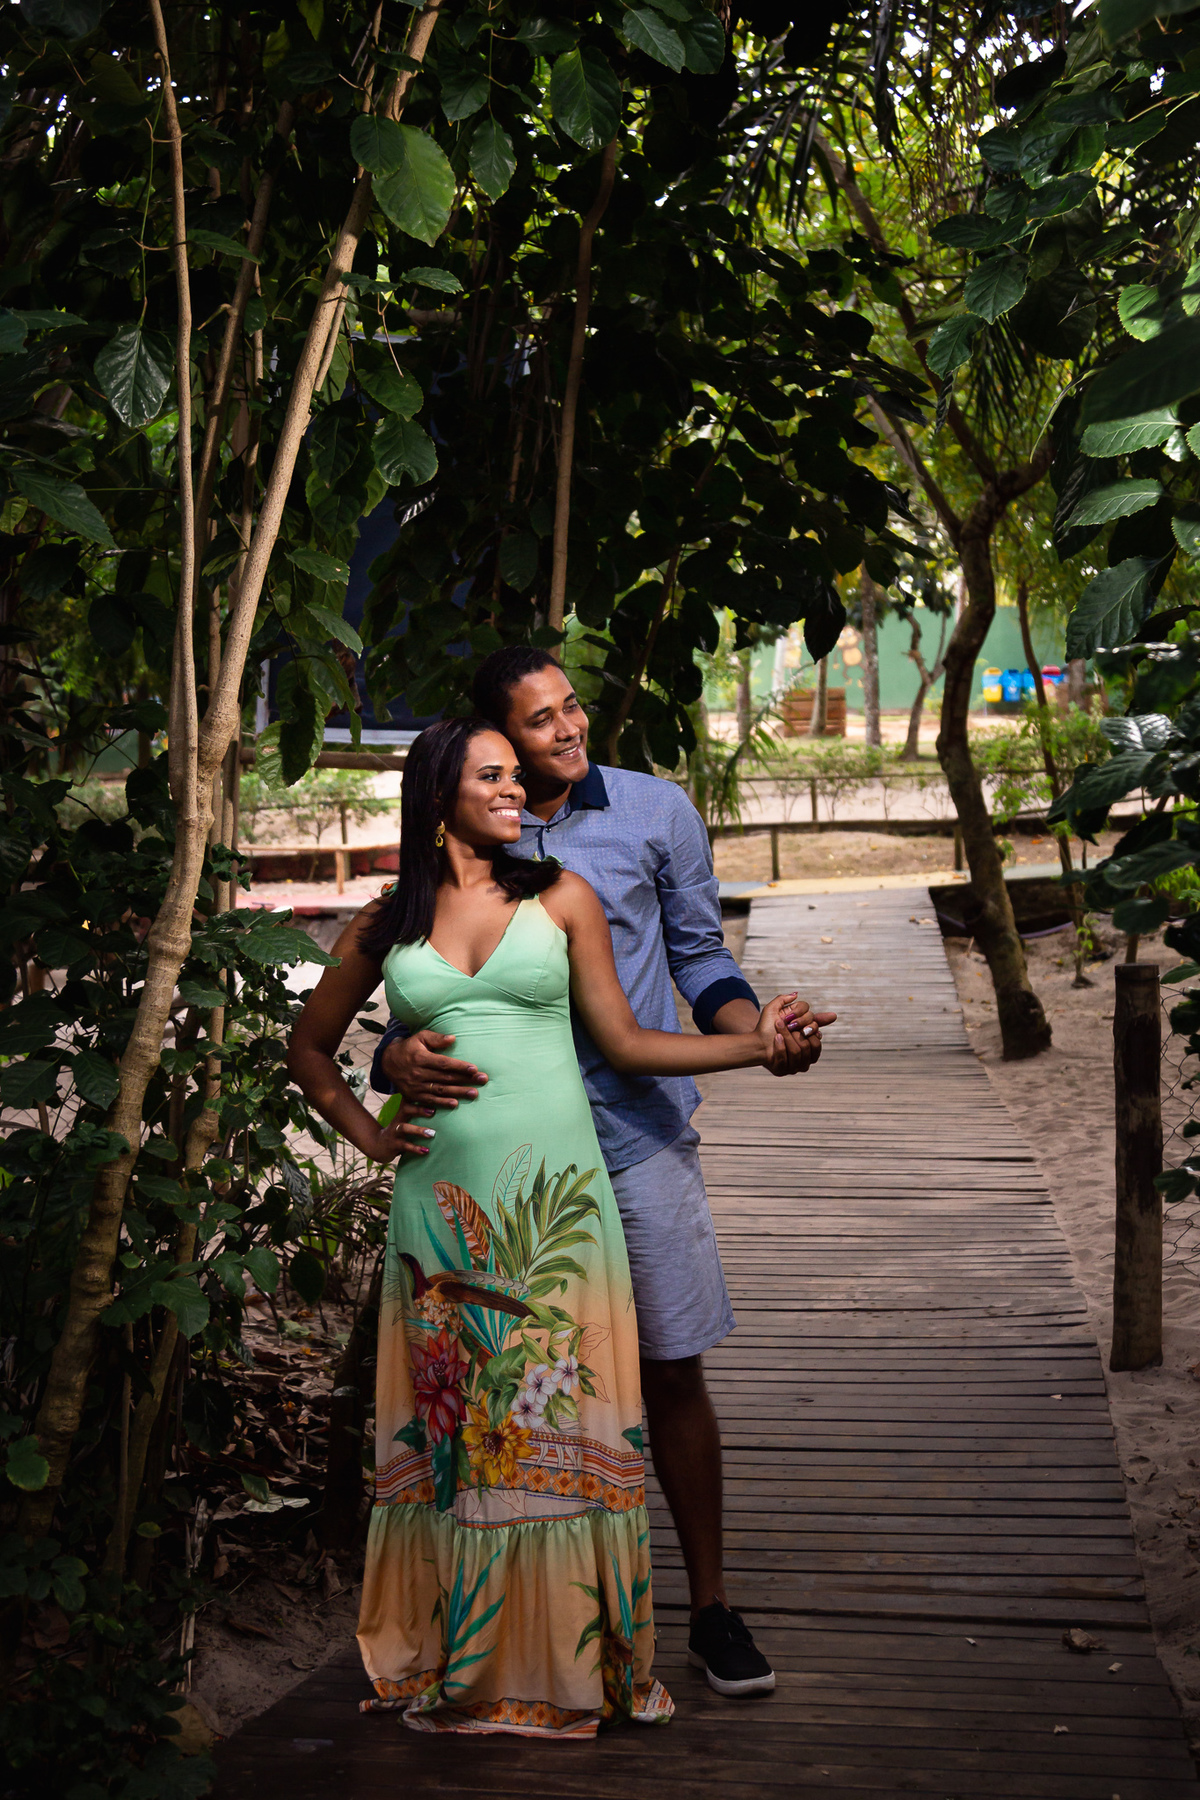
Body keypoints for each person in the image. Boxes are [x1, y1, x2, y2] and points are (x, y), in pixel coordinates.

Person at [288, 717, 816, 1737]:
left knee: (556, 1423)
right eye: (490, 776)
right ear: (436, 795)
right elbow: (310, 1047)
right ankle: (470, 1655)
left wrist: (758, 1048)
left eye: (514, 777)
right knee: (462, 1433)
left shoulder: (561, 896)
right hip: (439, 1210)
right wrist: (370, 1132)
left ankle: (569, 1661)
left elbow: (626, 1041)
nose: (514, 790)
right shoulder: (385, 920)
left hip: (556, 1206)